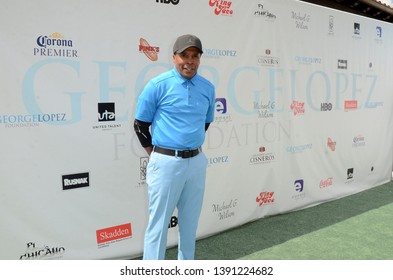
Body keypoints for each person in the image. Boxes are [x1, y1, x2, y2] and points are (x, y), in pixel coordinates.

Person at [133, 34, 215, 260]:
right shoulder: (158, 85)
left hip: (196, 162)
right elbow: (140, 125)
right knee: (158, 226)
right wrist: (159, 154)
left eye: (194, 56)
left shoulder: (207, 88)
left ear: (199, 59)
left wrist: (189, 147)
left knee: (190, 225)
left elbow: (205, 123)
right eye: (184, 56)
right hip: (166, 163)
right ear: (174, 57)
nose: (189, 61)